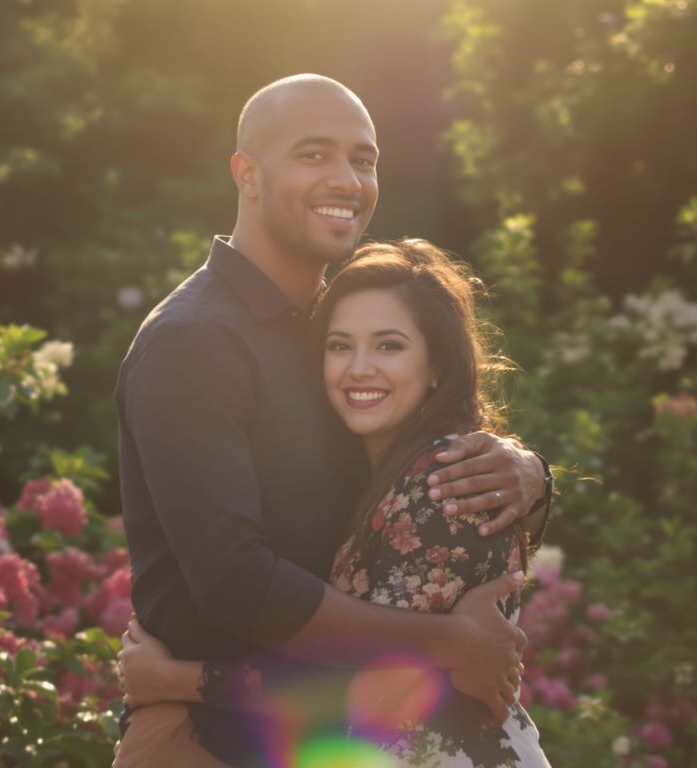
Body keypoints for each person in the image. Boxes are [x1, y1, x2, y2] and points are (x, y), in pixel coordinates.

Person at [113, 74, 552, 767]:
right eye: (313, 155)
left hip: (336, 735)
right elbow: (239, 585)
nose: (346, 179)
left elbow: (414, 476)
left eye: (364, 158)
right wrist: (448, 644)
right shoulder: (194, 342)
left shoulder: (338, 329)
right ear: (247, 174)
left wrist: (528, 471)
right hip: (212, 738)